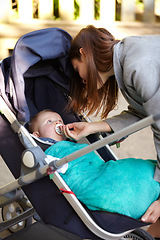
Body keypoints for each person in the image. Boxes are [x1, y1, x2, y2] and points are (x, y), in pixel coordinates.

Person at [61, 25, 160, 224]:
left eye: (76, 68)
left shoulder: (136, 65)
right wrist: (92, 127)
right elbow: (145, 111)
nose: (81, 79)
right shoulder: (127, 56)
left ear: (84, 54)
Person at [28, 109, 160, 220]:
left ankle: (144, 186)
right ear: (37, 135)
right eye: (49, 121)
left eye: (60, 120)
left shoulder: (72, 144)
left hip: (99, 170)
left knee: (128, 169)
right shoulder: (51, 152)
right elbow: (57, 166)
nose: (57, 122)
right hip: (88, 179)